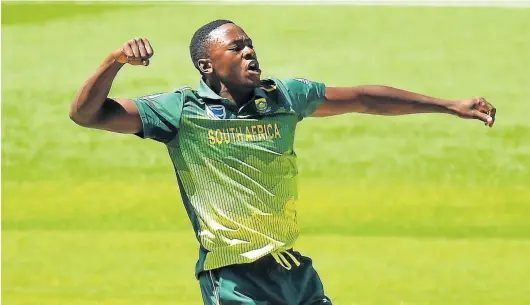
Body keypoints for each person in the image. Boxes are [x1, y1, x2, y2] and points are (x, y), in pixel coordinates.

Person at [69, 19, 496, 305]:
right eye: (237, 48)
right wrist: (115, 61)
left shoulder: (283, 97)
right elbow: (87, 114)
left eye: (251, 45)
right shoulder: (180, 111)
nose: (250, 52)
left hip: (292, 269)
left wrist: (448, 105)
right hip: (235, 279)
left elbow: (365, 98)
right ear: (207, 64)